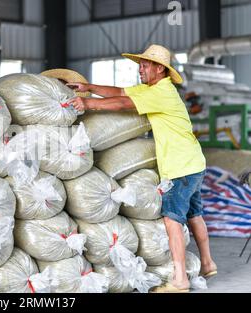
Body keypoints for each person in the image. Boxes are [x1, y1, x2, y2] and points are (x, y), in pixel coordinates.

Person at [67, 44, 217, 293]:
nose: (141, 69)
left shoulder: (162, 93)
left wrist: (89, 104)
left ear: (160, 68)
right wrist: (90, 88)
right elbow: (121, 91)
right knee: (194, 214)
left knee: (172, 220)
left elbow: (123, 103)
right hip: (194, 163)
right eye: (140, 64)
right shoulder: (155, 89)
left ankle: (180, 279)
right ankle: (208, 262)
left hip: (180, 167)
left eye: (145, 65)